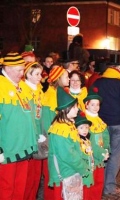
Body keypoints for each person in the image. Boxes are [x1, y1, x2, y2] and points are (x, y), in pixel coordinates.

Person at [93, 56, 120, 195]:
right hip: (119, 124)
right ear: (118, 69)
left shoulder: (98, 82)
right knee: (115, 157)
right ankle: (109, 187)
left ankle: (98, 185)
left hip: (101, 124)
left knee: (102, 155)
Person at [0, 52, 38, 199]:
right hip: (8, 149)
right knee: (6, 187)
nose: (22, 74)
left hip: (24, 146)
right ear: (7, 68)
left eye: (23, 70)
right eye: (19, 70)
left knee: (20, 187)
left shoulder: (21, 86)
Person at [48, 86, 89, 199]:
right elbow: (68, 155)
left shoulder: (67, 125)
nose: (77, 109)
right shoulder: (61, 130)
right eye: (74, 107)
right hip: (65, 172)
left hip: (71, 171)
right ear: (65, 109)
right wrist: (82, 166)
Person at [41, 65, 70, 199]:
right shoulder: (50, 97)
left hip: (61, 139)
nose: (68, 78)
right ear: (58, 78)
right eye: (65, 76)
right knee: (53, 175)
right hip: (54, 143)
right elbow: (47, 124)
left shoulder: (60, 92)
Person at [83, 86, 110, 200]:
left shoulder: (100, 121)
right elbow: (90, 142)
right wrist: (101, 153)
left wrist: (106, 150)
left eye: (97, 104)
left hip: (100, 157)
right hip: (90, 158)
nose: (95, 107)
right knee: (89, 184)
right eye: (92, 104)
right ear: (87, 105)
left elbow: (106, 137)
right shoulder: (85, 121)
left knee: (99, 182)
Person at [23, 61, 45, 200]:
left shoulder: (38, 90)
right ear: (28, 75)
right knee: (27, 176)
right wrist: (36, 134)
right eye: (36, 74)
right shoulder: (25, 91)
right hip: (30, 137)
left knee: (36, 176)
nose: (40, 77)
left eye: (40, 74)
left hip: (39, 134)